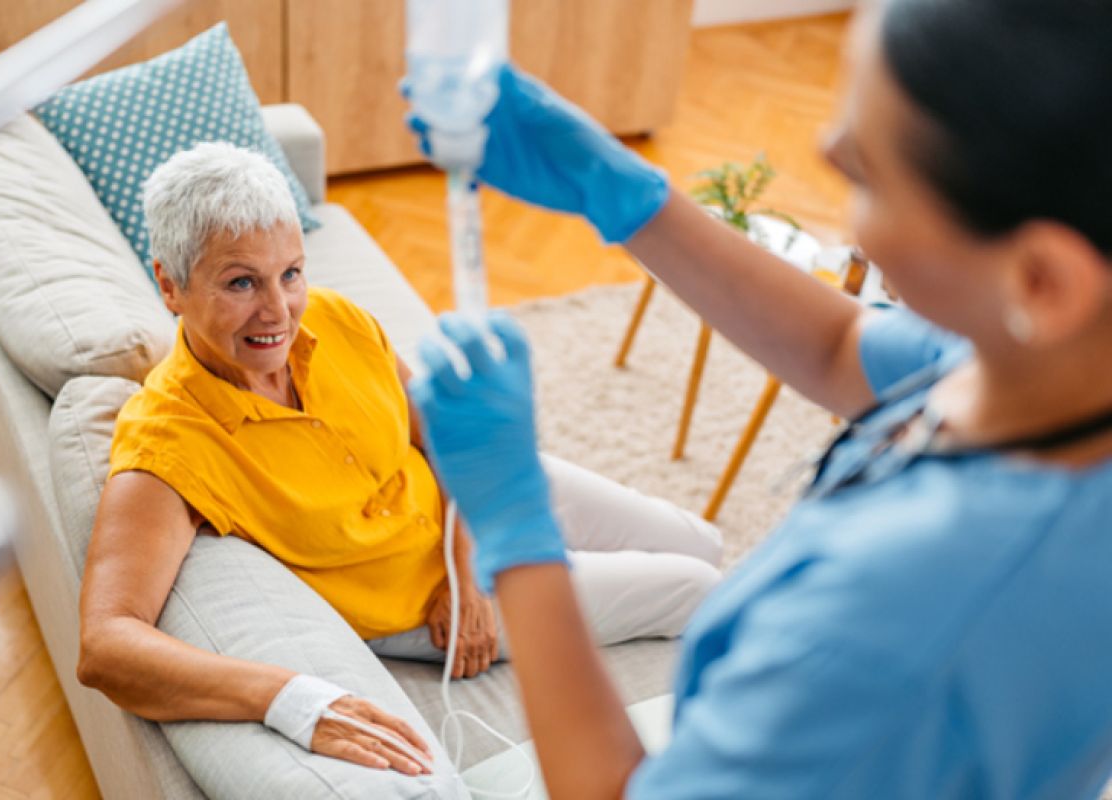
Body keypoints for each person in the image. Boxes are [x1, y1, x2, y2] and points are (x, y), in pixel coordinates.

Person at [404, 0, 1112, 797]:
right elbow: (839, 347)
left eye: (868, 170)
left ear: (1044, 280)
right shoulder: (1052, 363)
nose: (826, 145)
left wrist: (517, 531)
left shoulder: (896, 632)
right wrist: (622, 193)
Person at [75, 142, 723, 778]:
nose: (278, 312)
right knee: (698, 590)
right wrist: (291, 698)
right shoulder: (167, 444)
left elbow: (446, 437)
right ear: (170, 285)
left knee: (697, 541)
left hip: (470, 512)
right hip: (415, 604)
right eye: (241, 282)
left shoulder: (335, 319)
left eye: (291, 273)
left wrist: (466, 567)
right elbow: (107, 646)